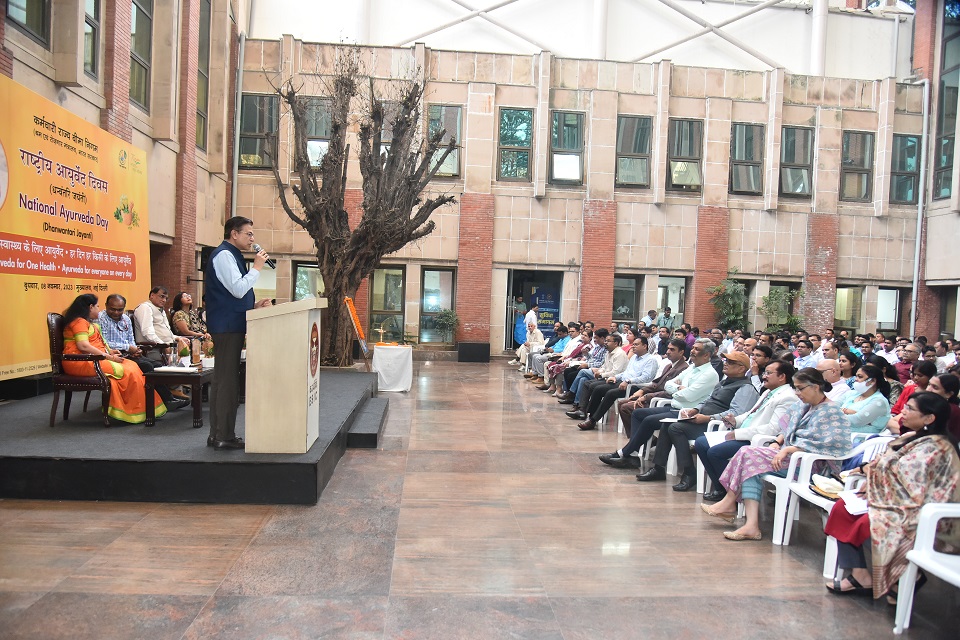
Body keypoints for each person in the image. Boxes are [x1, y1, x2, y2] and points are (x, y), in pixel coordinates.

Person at [822, 392, 960, 601]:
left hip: (919, 510)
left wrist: (872, 474)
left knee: (867, 522)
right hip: (892, 498)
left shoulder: (937, 447)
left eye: (910, 409)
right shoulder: (913, 437)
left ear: (929, 418)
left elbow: (911, 482)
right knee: (842, 508)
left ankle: (905, 577)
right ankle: (860, 575)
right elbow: (887, 465)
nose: (903, 411)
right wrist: (872, 473)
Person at [701, 368, 851, 541]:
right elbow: (786, 429)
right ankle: (751, 526)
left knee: (747, 453)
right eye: (795, 388)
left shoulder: (832, 411)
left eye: (800, 388)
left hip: (809, 464)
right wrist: (778, 442)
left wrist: (788, 449)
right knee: (750, 465)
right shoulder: (803, 405)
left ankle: (729, 502)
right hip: (788, 457)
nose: (797, 393)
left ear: (816, 387)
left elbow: (828, 444)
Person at [205, 216, 272, 450]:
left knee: (224, 380)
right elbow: (237, 288)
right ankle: (223, 435)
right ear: (234, 233)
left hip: (230, 323)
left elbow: (232, 293)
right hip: (226, 327)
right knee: (227, 382)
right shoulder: (224, 255)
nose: (252, 239)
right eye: (248, 234)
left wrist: (252, 306)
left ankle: (217, 434)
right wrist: (257, 268)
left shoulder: (231, 255)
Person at [696, 360, 798, 502]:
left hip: (757, 440)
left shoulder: (787, 397)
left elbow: (773, 429)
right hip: (744, 433)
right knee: (701, 443)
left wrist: (737, 434)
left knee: (715, 452)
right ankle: (722, 488)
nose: (764, 376)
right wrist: (735, 420)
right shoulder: (768, 392)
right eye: (765, 372)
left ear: (782, 377)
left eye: (769, 373)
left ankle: (732, 494)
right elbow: (751, 413)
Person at [60, 294, 167, 424]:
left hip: (93, 359)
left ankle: (142, 408)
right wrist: (109, 357)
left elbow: (96, 344)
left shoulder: (88, 323)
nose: (99, 309)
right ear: (90, 307)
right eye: (97, 306)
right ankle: (131, 410)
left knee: (133, 366)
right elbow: (83, 346)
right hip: (79, 362)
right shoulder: (79, 322)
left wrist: (110, 351)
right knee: (126, 371)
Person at [97, 294, 187, 410]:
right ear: (106, 306)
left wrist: (135, 350)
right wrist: (128, 347)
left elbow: (131, 339)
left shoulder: (125, 319)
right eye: (112, 309)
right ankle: (166, 400)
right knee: (147, 366)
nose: (116, 313)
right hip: (113, 355)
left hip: (129, 353)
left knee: (157, 365)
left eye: (120, 310)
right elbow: (104, 342)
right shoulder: (101, 318)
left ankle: (163, 399)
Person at [133, 285, 189, 362]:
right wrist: (164, 345)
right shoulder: (145, 308)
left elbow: (166, 333)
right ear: (152, 295)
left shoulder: (160, 310)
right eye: (162, 296)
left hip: (168, 346)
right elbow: (147, 333)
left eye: (166, 298)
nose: (164, 300)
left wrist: (177, 338)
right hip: (153, 348)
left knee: (186, 344)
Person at [839, 363, 892, 434]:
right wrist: (848, 412)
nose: (855, 379)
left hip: (862, 437)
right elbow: (831, 406)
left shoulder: (879, 401)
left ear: (872, 381)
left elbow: (857, 420)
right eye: (856, 376)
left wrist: (836, 414)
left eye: (860, 377)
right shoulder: (851, 393)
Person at [928, 374, 960, 439]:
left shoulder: (951, 410)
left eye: (935, 387)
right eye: (929, 384)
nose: (928, 389)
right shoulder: (928, 403)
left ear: (948, 394)